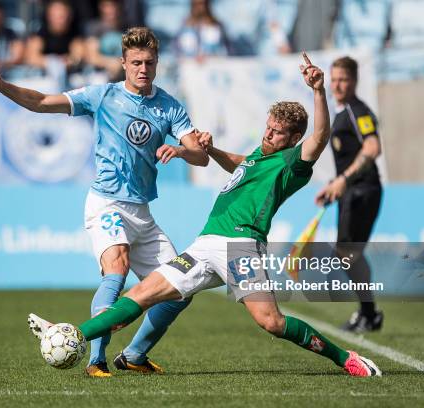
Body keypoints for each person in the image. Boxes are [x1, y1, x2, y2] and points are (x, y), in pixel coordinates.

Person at [30, 53, 382, 378]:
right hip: (205, 245)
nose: (269, 132)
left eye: (277, 131)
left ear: (293, 139)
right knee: (140, 296)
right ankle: (74, 333)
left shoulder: (292, 164)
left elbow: (320, 137)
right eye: (269, 125)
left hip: (241, 246)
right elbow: (240, 164)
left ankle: (344, 358)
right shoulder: (260, 155)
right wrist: (205, 149)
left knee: (272, 323)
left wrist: (318, 91)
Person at [0, 27, 208, 377]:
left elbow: (200, 157)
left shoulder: (169, 106)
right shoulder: (102, 96)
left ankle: (134, 355)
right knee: (116, 268)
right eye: (136, 62)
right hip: (106, 203)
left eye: (149, 62)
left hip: (142, 211)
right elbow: (41, 102)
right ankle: (95, 361)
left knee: (180, 289)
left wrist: (181, 150)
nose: (142, 69)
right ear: (123, 63)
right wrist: (2, 86)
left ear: (157, 62)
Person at [315, 56, 383, 333]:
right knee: (348, 253)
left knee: (346, 252)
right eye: (334, 79)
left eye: (343, 79)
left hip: (362, 191)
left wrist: (343, 179)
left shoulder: (358, 111)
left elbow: (372, 147)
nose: (337, 85)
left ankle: (368, 313)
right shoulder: (343, 112)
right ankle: (369, 313)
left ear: (354, 81)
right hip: (351, 190)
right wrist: (334, 184)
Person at [24, 0, 84, 73]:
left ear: (69, 16)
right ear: (48, 16)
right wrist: (54, 62)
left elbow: (78, 56)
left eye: (61, 16)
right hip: (45, 75)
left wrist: (69, 61)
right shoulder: (41, 33)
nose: (58, 20)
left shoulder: (74, 33)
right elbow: (31, 58)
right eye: (54, 16)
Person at [84, 0, 126, 81]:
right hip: (99, 74)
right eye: (107, 6)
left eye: (114, 5)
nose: (111, 10)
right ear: (101, 7)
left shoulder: (127, 28)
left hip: (124, 74)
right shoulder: (94, 28)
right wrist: (112, 63)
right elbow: (92, 57)